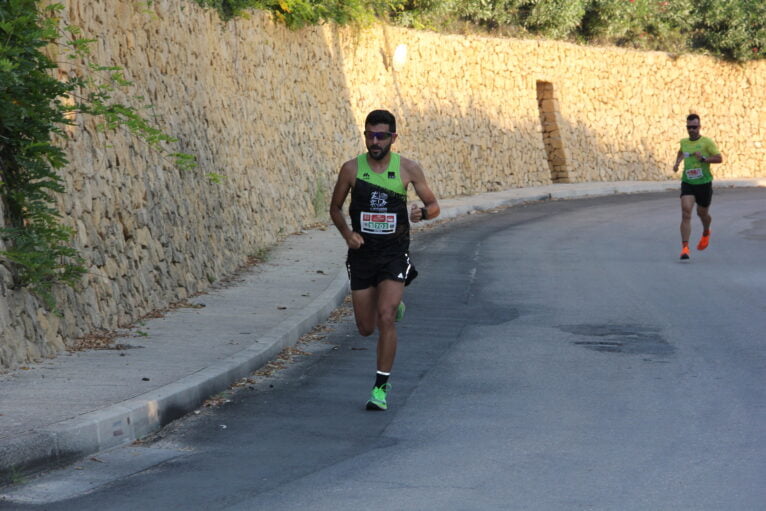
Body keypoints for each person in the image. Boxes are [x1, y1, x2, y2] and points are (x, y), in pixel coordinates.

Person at [329, 109, 440, 411]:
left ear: (393, 137)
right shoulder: (351, 169)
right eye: (369, 135)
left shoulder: (408, 169)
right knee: (366, 328)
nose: (374, 141)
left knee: (386, 317)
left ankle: (380, 388)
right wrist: (348, 234)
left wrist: (422, 213)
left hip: (394, 253)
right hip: (362, 255)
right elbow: (335, 208)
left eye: (380, 136)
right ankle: (391, 303)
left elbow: (433, 206)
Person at [672, 113, 723, 260]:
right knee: (686, 212)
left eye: (694, 127)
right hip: (688, 182)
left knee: (702, 214)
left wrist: (704, 159)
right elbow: (681, 152)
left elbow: (719, 158)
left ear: (699, 127)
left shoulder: (707, 142)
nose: (692, 130)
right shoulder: (684, 142)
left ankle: (706, 231)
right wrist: (677, 163)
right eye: (689, 127)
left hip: (704, 183)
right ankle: (685, 248)